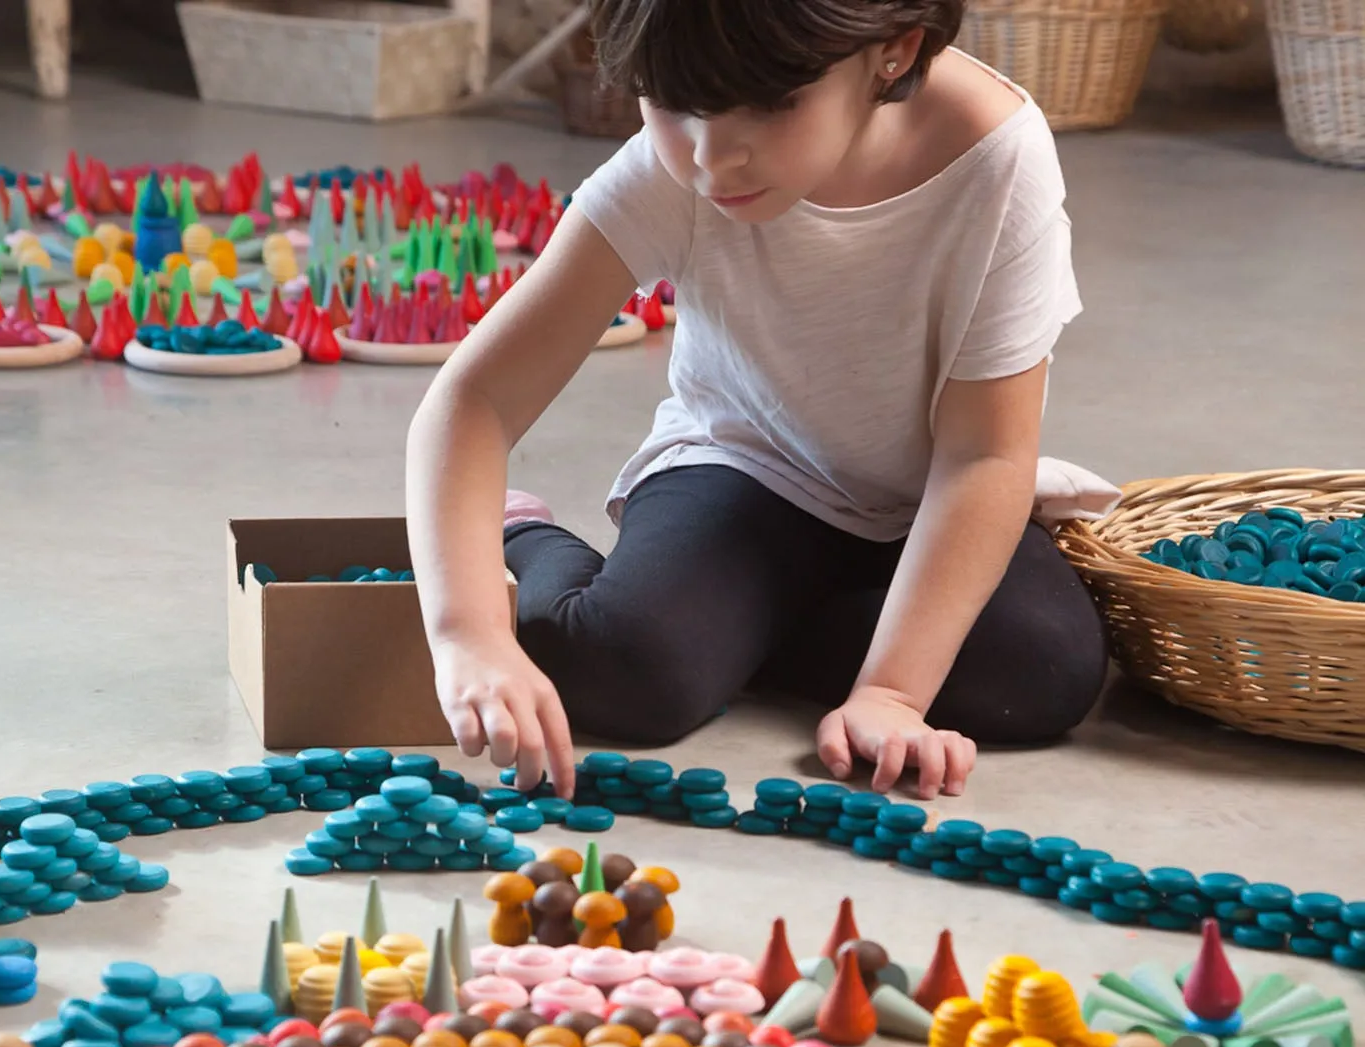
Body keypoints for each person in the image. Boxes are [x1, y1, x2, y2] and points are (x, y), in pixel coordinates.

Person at [405, 0, 1110, 804]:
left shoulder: (996, 158)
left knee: (1045, 669)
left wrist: (893, 694)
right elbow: (476, 397)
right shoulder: (667, 172)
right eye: (673, 103)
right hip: (745, 472)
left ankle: (733, 629)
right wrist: (468, 633)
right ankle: (528, 533)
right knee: (627, 671)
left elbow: (986, 456)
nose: (713, 160)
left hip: (930, 498)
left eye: (771, 106)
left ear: (893, 51)